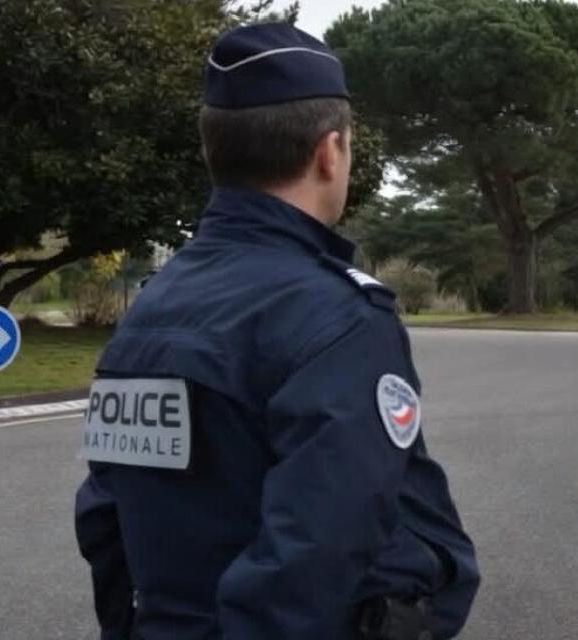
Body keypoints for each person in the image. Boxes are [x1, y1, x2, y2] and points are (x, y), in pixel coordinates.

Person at [74, 24, 478, 640]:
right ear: (329, 151)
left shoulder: (153, 307)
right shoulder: (338, 317)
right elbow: (321, 546)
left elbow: (106, 513)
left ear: (215, 152)